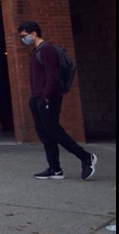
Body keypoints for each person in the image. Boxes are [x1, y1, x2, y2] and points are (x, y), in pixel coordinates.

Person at [18, 20, 96, 181]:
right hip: (37, 98)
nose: (23, 39)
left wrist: (46, 96)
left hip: (48, 98)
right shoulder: (36, 51)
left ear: (34, 33)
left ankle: (86, 157)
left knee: (54, 132)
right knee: (45, 134)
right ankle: (55, 169)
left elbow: (52, 76)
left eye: (24, 35)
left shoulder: (47, 49)